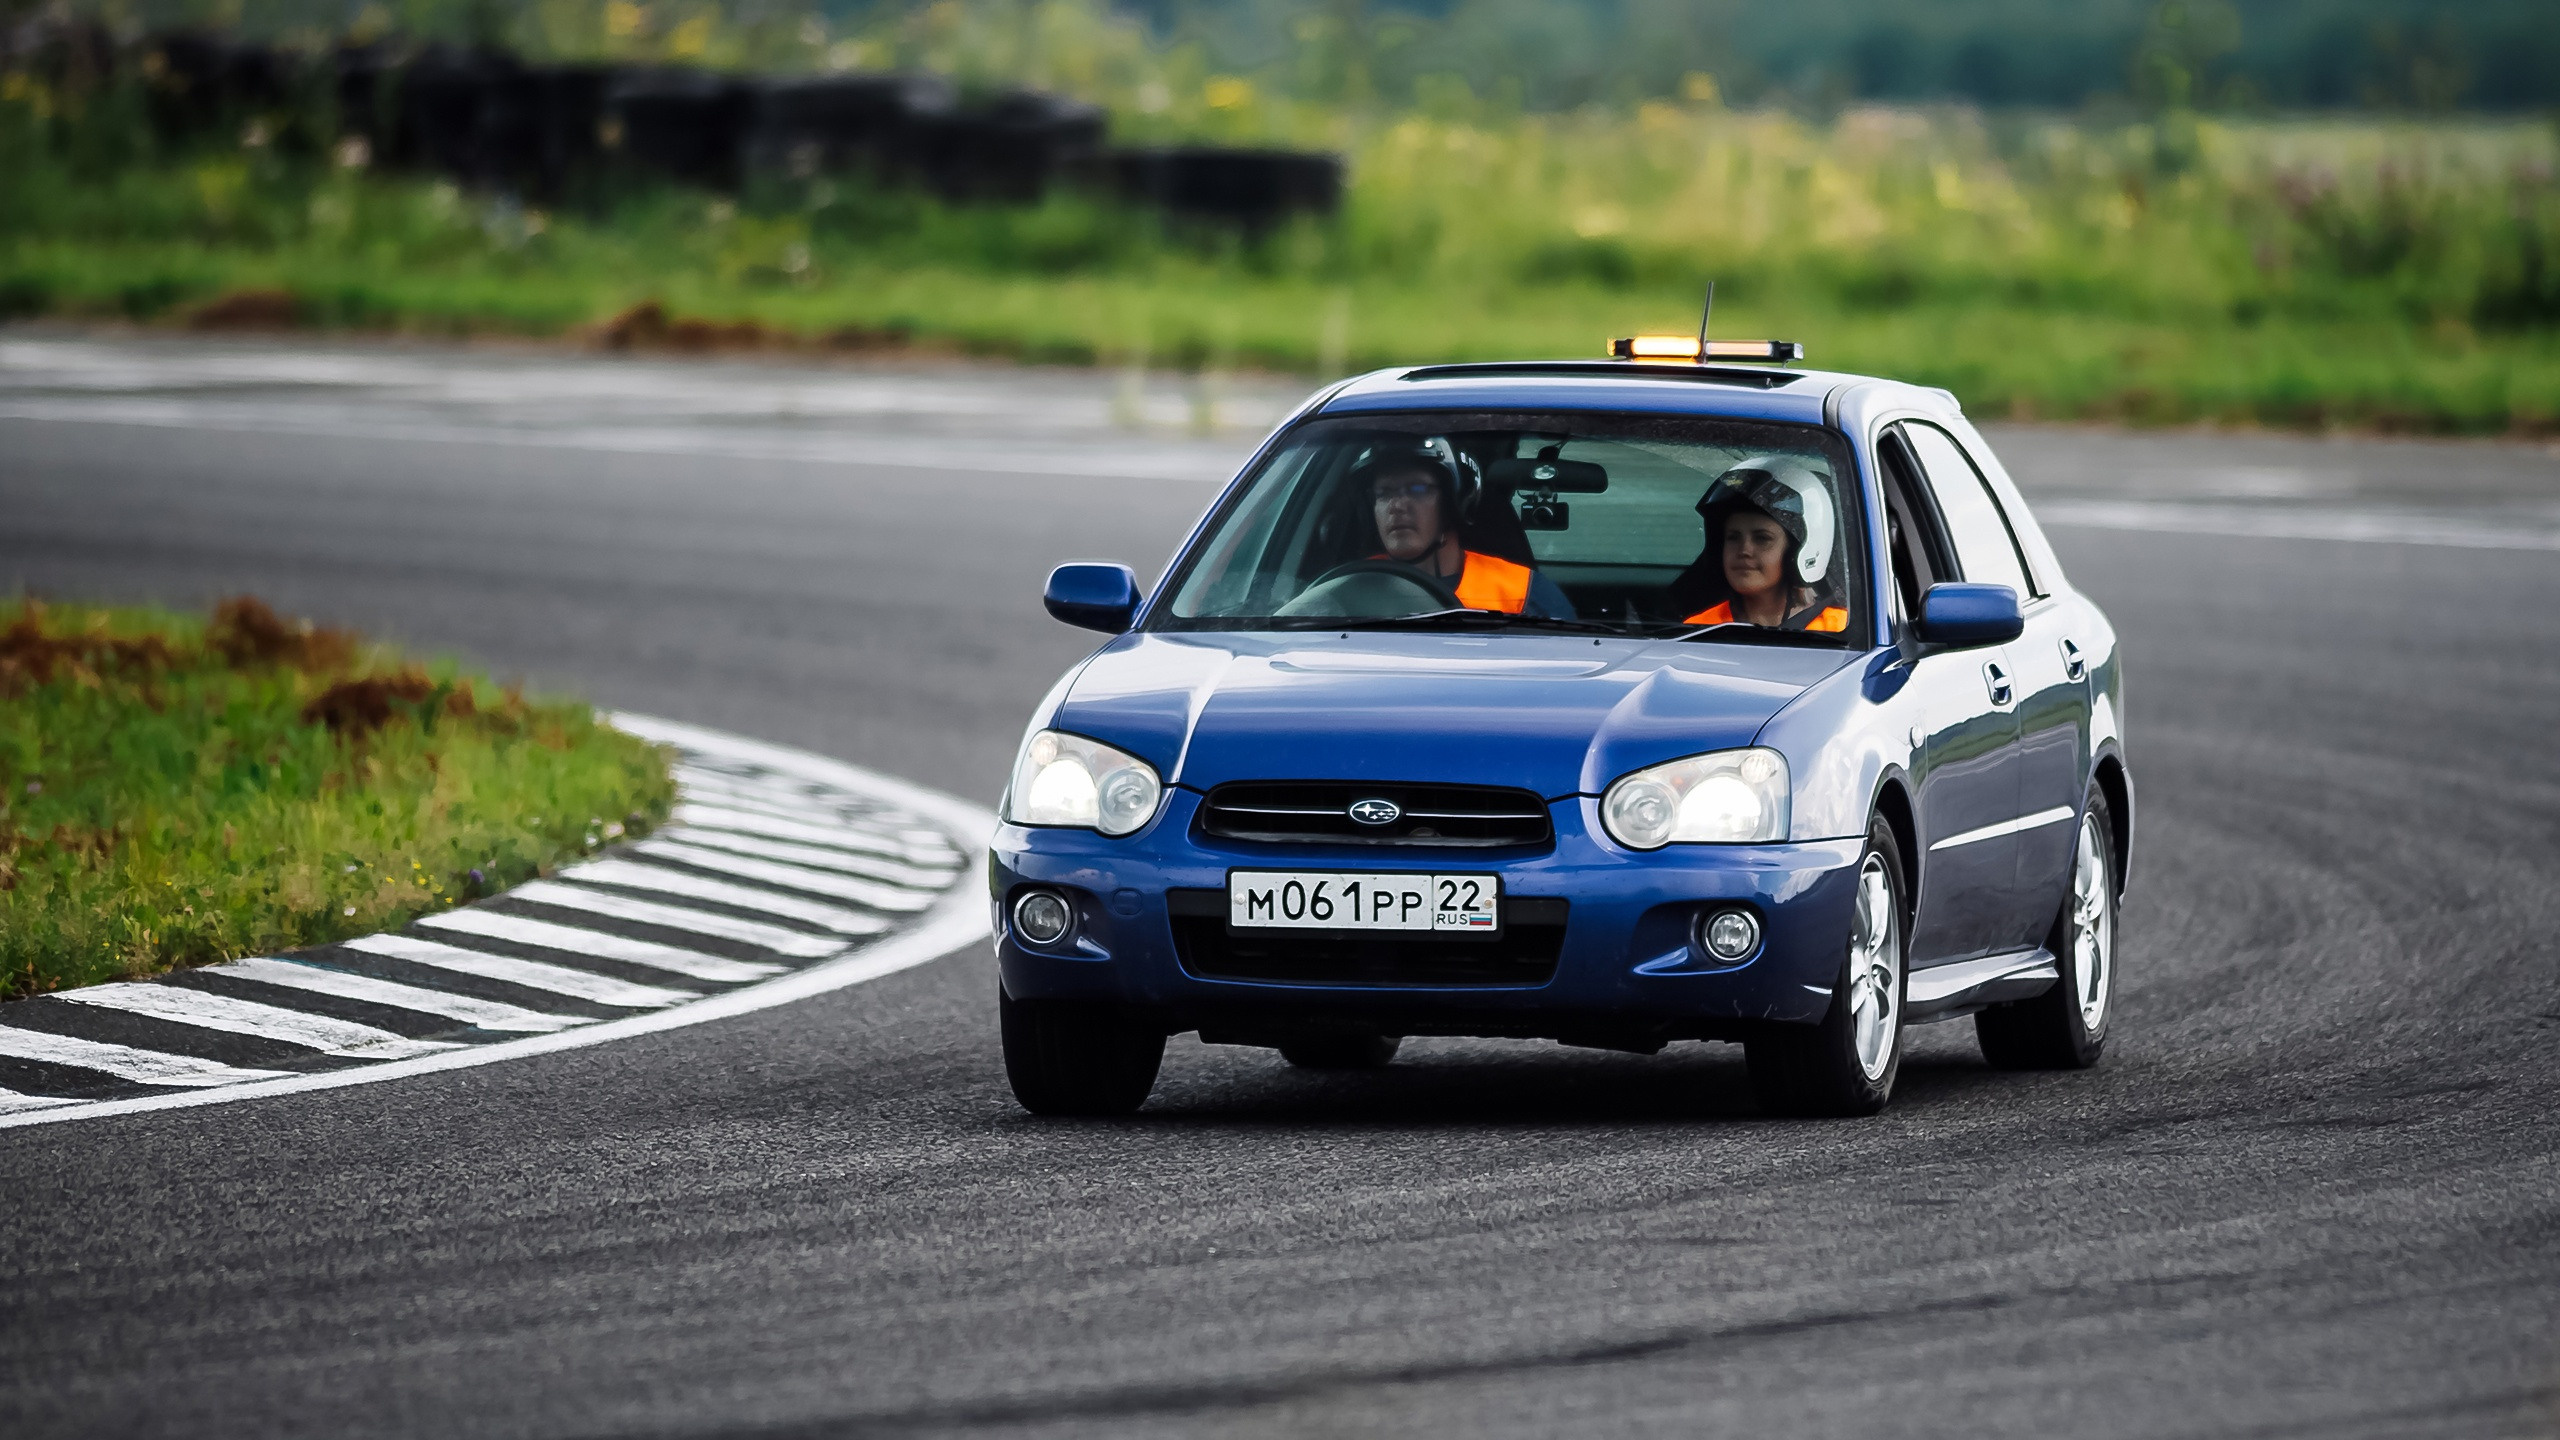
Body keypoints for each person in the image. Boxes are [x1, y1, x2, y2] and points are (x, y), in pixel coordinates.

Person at [1358, 437, 1576, 618]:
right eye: (1384, 493)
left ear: (1457, 503)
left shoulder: (1523, 592)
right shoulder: (1349, 587)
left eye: (1417, 489)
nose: (1396, 506)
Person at [1676, 457, 1848, 632]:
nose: (1744, 550)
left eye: (1762, 539)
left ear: (1796, 551)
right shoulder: (1700, 628)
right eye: (1733, 537)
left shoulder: (1838, 629)